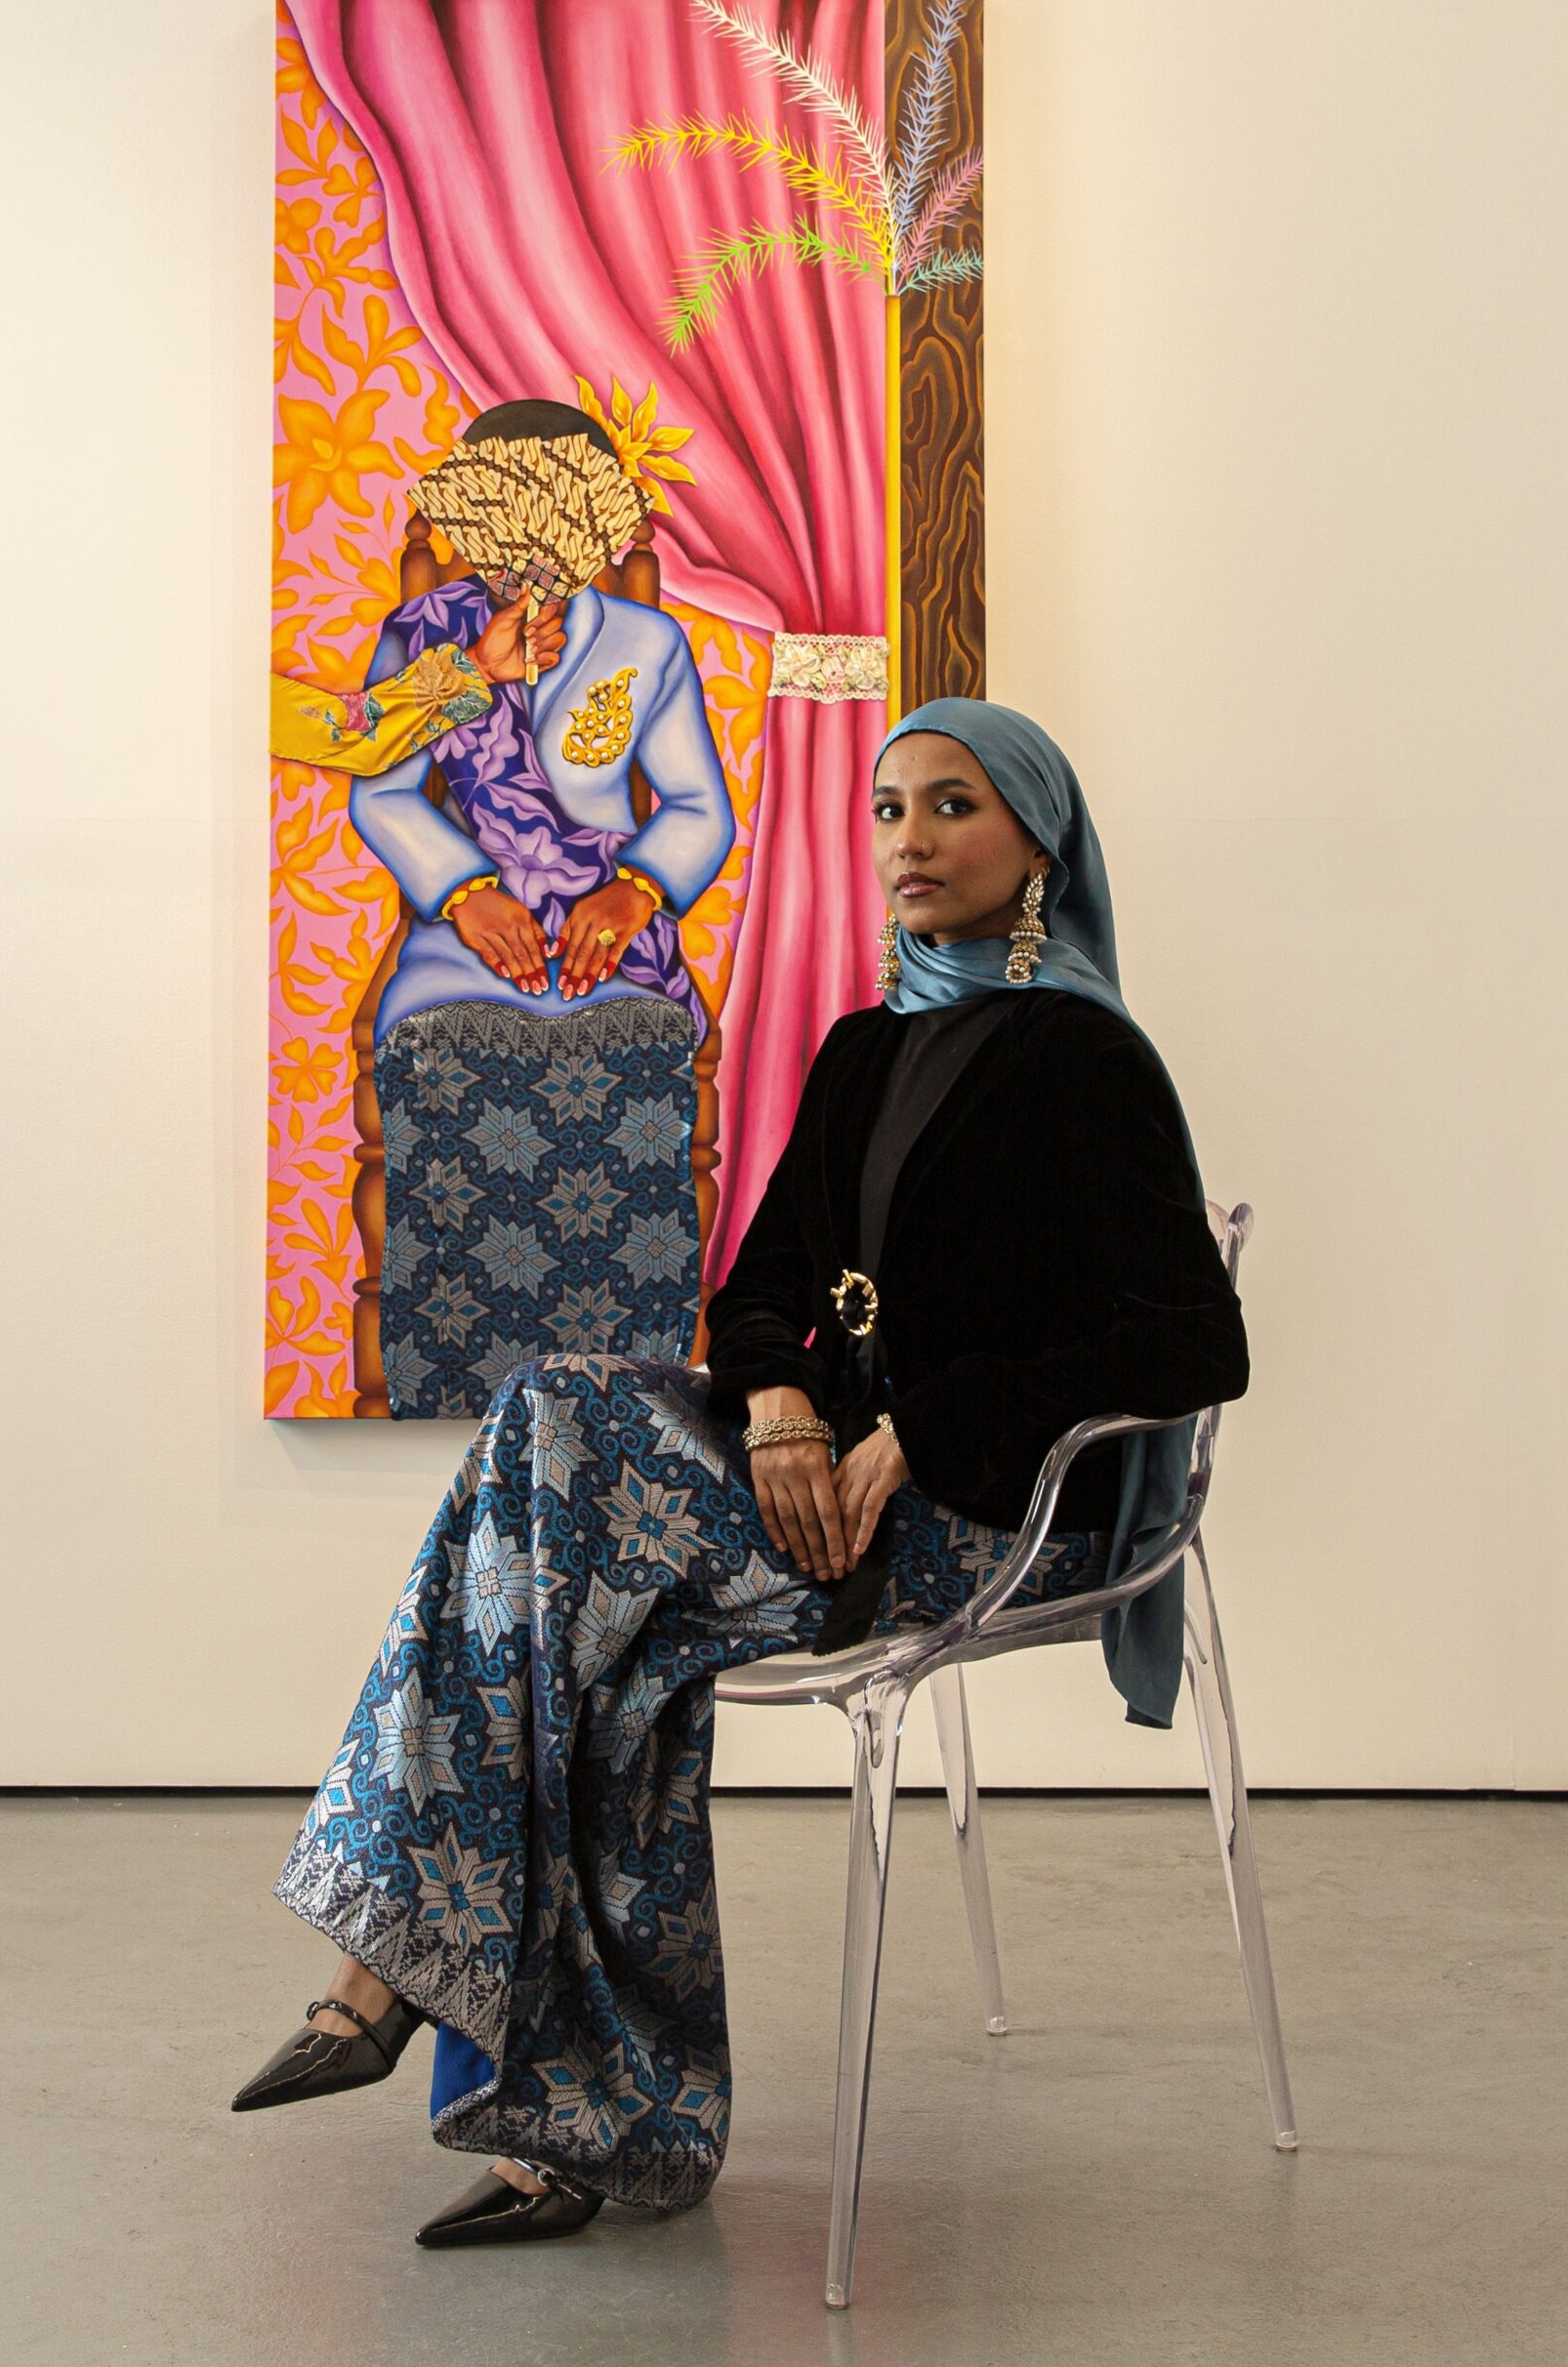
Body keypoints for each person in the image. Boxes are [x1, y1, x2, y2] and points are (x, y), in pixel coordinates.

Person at [230, 697, 1250, 2249]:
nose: (909, 839)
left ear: (1040, 842)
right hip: (799, 1481)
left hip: (972, 1518)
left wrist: (930, 1424)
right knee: (550, 1457)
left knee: (563, 1577)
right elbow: (758, 1283)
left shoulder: (1085, 1064)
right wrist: (777, 1400)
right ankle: (567, 2116)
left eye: (953, 807)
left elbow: (1191, 1344)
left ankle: (420, 1996)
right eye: (889, 810)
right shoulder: (861, 1047)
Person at [270, 397, 737, 1416]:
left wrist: (634, 890)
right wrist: (468, 893)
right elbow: (382, 790)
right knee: (436, 1056)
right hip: (458, 938)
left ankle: (646, 1396)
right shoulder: (429, 636)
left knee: (644, 1053)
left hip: (613, 930)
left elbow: (700, 808)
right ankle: (446, 1377)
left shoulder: (646, 643)